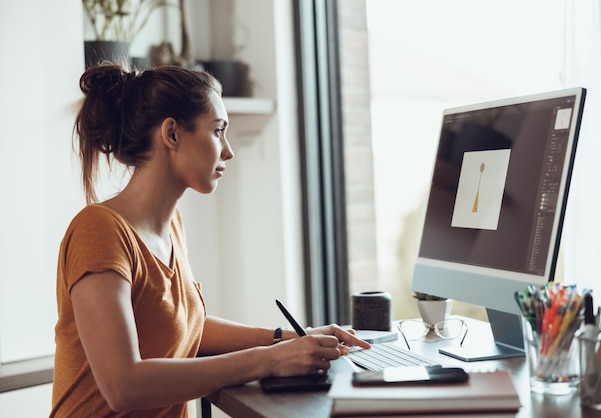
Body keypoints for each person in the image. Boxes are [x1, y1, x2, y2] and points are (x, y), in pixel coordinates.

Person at [50, 63, 370, 417]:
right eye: (218, 131)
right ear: (171, 134)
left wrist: (290, 338)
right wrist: (270, 360)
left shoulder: (171, 226)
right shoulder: (99, 230)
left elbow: (185, 326)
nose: (228, 151)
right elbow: (123, 386)